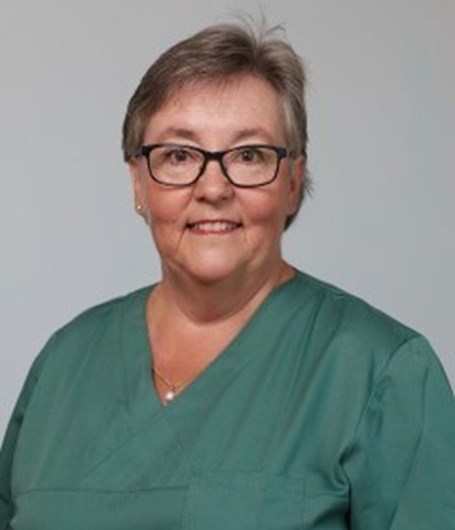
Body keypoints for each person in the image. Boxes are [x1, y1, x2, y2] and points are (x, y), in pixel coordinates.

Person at [1, 20, 454, 530]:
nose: (213, 188)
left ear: (292, 182)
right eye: (178, 155)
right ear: (139, 183)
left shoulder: (381, 372)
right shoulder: (65, 364)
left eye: (248, 155)